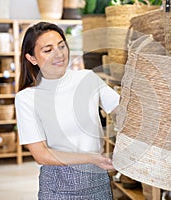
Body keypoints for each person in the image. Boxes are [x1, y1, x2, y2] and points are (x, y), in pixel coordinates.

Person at [15, 22, 120, 200]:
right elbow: (41, 155)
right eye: (48, 50)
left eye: (61, 46)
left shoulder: (87, 78)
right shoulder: (26, 98)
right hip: (57, 187)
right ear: (32, 58)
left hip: (98, 182)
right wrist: (91, 158)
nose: (59, 54)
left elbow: (121, 111)